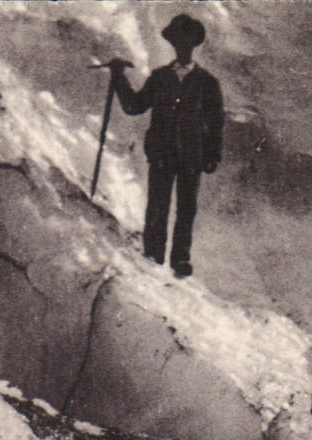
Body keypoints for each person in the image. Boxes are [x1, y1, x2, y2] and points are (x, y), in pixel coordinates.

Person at [107, 14, 224, 278]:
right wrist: (118, 77)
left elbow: (216, 122)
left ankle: (180, 260)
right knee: (157, 205)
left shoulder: (208, 83)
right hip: (161, 152)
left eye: (188, 42)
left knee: (186, 209)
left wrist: (213, 154)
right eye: (179, 42)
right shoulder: (159, 78)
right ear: (174, 44)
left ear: (194, 45)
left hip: (193, 156)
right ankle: (153, 254)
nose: (183, 47)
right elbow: (134, 106)